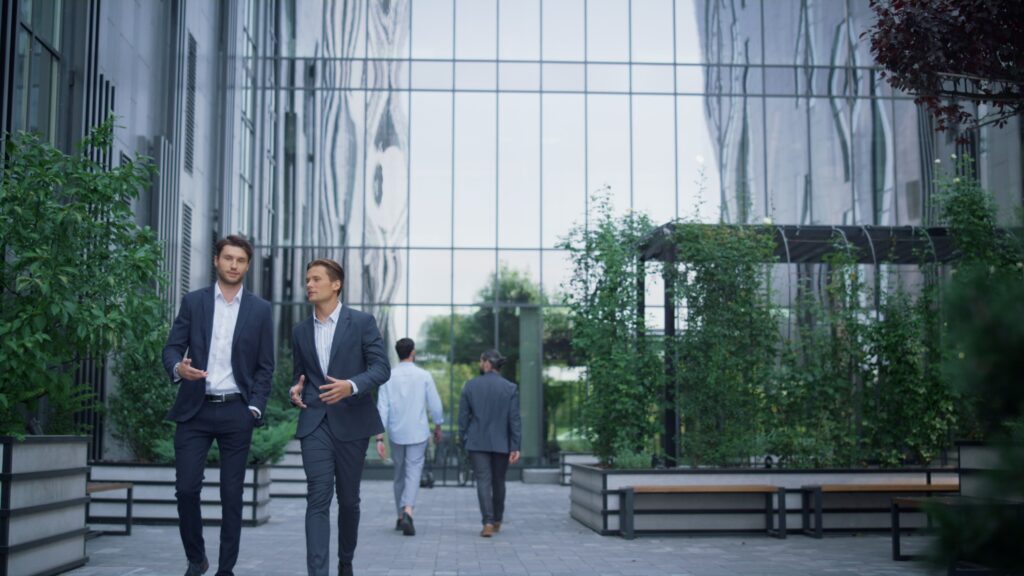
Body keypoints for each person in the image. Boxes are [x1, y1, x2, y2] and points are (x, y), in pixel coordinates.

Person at [162, 235, 275, 576]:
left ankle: (226, 569)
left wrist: (254, 407)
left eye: (240, 260)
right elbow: (171, 348)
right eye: (228, 258)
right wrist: (178, 369)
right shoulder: (194, 302)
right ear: (216, 260)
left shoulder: (260, 309)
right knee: (185, 489)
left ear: (247, 265)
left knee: (231, 495)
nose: (234, 265)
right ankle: (197, 559)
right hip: (195, 409)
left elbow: (265, 366)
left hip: (235, 412)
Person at [288, 258, 390, 576]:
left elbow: (381, 368)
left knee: (348, 501)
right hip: (315, 423)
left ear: (336, 284)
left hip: (352, 422)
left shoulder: (362, 323)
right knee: (318, 497)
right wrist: (295, 389)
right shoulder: (300, 331)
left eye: (316, 279)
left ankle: (345, 561)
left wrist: (351, 385)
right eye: (307, 279)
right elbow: (300, 376)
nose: (309, 284)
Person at [374, 338, 444, 536]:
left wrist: (379, 438)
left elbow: (382, 408)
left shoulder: (388, 377)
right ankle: (408, 512)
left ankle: (399, 516)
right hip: (418, 432)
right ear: (412, 352)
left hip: (397, 433)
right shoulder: (424, 375)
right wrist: (438, 425)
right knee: (413, 472)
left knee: (399, 474)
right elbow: (435, 404)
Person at [458, 349, 522, 538]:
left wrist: (464, 439)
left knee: (483, 482)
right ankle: (497, 521)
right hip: (502, 442)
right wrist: (515, 445)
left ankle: (487, 522)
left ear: (486, 363)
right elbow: (514, 419)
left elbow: (463, 418)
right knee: (498, 481)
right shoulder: (510, 388)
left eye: (481, 361)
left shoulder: (470, 386)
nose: (480, 364)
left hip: (477, 442)